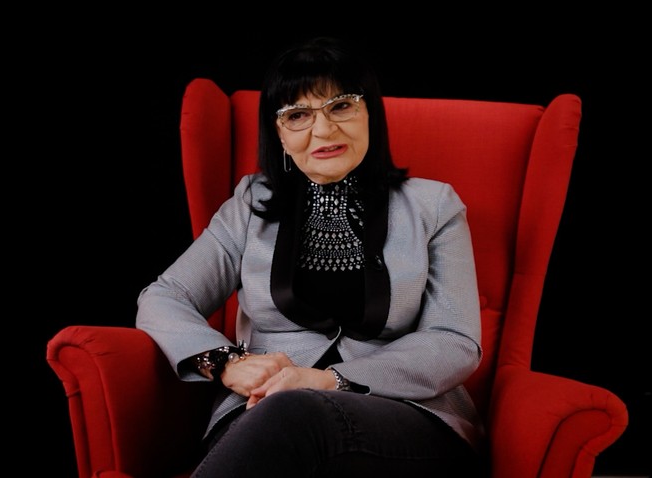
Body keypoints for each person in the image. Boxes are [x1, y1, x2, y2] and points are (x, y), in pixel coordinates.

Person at [136, 36, 485, 477]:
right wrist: (226, 363)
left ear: (370, 114)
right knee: (282, 421)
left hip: (402, 415)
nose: (323, 130)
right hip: (262, 411)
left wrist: (328, 380)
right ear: (279, 133)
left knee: (293, 412)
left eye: (341, 106)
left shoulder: (434, 206)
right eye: (297, 115)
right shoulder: (250, 205)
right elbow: (164, 296)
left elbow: (454, 339)